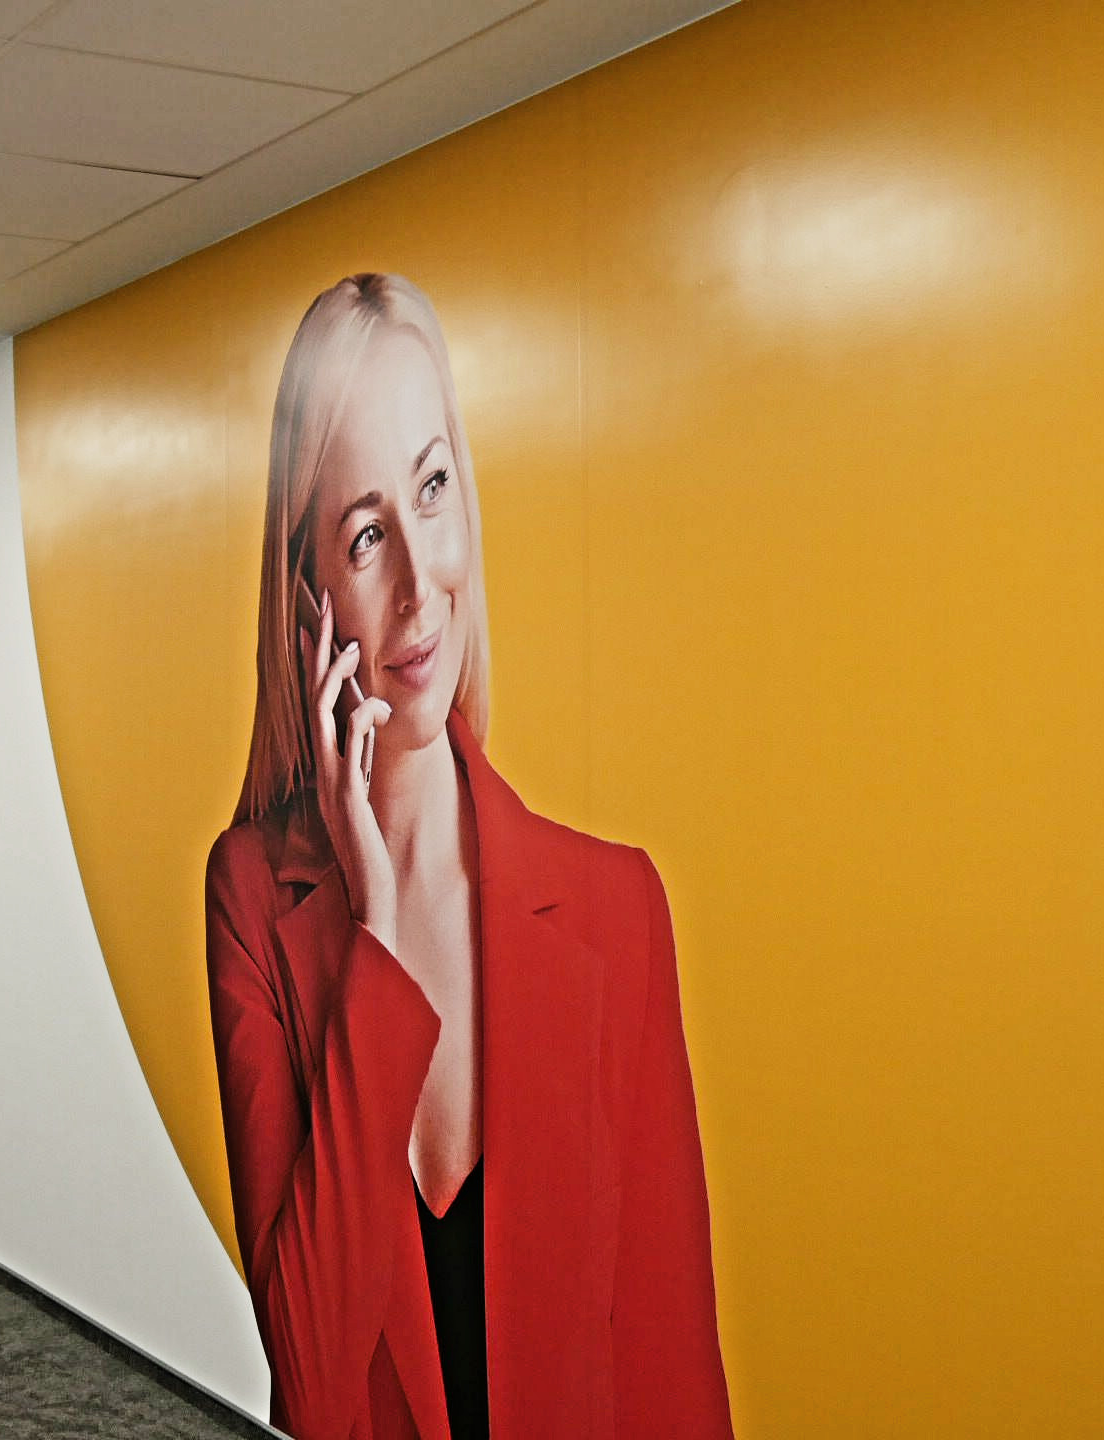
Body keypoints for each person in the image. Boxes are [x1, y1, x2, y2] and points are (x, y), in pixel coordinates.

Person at [204, 273, 734, 1440]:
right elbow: (312, 1378)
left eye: (433, 489)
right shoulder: (252, 898)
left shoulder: (618, 911)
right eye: (364, 535)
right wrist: (377, 931)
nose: (416, 584)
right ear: (307, 596)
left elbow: (672, 1379)